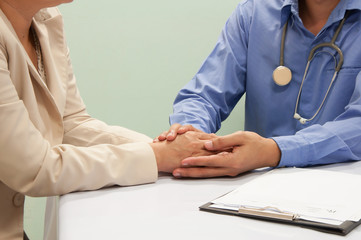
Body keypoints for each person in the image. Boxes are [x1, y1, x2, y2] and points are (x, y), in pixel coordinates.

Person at [0, 0, 214, 239]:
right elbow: (35, 168)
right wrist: (158, 156)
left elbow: (71, 123)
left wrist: (168, 149)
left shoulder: (46, 19)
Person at [157, 0, 361, 178]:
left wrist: (274, 151)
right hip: (256, 188)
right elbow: (204, 96)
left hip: (341, 190)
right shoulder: (254, 12)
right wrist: (189, 134)